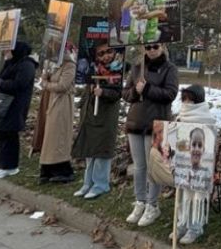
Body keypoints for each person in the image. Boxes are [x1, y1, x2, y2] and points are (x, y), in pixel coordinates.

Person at [122, 40, 179, 227]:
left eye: (156, 46)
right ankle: (140, 201)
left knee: (153, 168)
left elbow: (170, 94)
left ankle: (152, 205)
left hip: (156, 123)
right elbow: (126, 92)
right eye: (148, 47)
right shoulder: (138, 67)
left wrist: (147, 89)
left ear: (162, 47)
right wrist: (135, 92)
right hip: (135, 122)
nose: (152, 50)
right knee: (139, 167)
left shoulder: (169, 68)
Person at [72, 43, 124, 199]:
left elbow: (117, 94)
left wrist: (104, 92)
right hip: (90, 115)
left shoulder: (118, 69)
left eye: (109, 51)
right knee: (90, 150)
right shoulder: (93, 70)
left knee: (101, 151)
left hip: (105, 116)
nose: (106, 56)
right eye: (101, 53)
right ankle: (87, 183)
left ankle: (101, 184)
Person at [169, 85, 215, 244]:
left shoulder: (206, 119)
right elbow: (177, 144)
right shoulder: (180, 119)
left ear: (198, 101)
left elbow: (210, 145)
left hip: (200, 169)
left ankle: (195, 226)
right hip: (184, 168)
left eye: (190, 99)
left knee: (196, 196)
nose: (186, 103)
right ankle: (182, 223)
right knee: (183, 195)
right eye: (184, 99)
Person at [0, 41, 38, 179]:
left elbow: (19, 84)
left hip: (15, 105)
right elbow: (1, 77)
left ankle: (11, 166)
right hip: (3, 103)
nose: (5, 52)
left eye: (8, 50)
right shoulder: (11, 62)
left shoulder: (27, 65)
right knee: (2, 133)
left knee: (10, 135)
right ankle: (1, 164)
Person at [38, 44, 78, 184]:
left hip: (62, 104)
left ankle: (62, 169)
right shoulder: (53, 64)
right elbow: (47, 79)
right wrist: (46, 75)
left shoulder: (69, 65)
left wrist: (46, 84)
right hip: (51, 102)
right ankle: (47, 168)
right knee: (49, 136)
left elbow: (63, 86)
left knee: (58, 136)